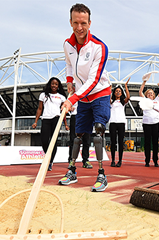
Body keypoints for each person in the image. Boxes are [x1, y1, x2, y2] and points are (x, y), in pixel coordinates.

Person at [58, 3, 111, 192]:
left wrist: (72, 99)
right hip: (82, 96)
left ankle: (101, 175)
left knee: (98, 132)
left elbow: (94, 80)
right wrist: (69, 81)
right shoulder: (67, 44)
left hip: (100, 93)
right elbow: (69, 64)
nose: (79, 28)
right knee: (78, 135)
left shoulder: (99, 47)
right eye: (75, 23)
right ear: (70, 22)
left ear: (90, 23)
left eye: (83, 23)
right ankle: (72, 171)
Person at [32, 77, 69, 171]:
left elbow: (63, 112)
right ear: (49, 84)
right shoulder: (43, 95)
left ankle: (50, 162)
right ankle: (48, 156)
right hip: (46, 119)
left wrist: (65, 124)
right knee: (44, 141)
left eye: (56, 84)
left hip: (56, 119)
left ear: (58, 86)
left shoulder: (61, 97)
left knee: (54, 141)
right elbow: (40, 109)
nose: (54, 85)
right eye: (52, 83)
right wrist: (36, 121)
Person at [139, 73, 159, 167]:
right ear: (146, 95)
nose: (150, 94)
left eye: (152, 94)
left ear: (154, 95)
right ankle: (147, 161)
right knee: (147, 142)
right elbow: (140, 92)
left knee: (155, 142)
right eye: (149, 93)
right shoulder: (144, 100)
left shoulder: (156, 101)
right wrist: (144, 82)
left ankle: (155, 160)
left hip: (155, 123)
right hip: (146, 123)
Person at [109, 78, 131, 167]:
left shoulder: (123, 102)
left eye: (119, 91)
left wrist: (125, 86)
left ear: (121, 93)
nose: (118, 92)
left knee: (120, 142)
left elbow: (128, 98)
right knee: (113, 142)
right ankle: (113, 160)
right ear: (114, 93)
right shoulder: (111, 102)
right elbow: (108, 98)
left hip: (121, 123)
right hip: (113, 122)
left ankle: (120, 161)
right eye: (116, 91)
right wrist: (110, 88)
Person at [68, 102, 92, 169]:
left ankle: (85, 160)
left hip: (86, 116)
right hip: (75, 116)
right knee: (73, 139)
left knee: (86, 139)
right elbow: (66, 105)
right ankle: (71, 160)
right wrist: (69, 108)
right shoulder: (74, 93)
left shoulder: (88, 93)